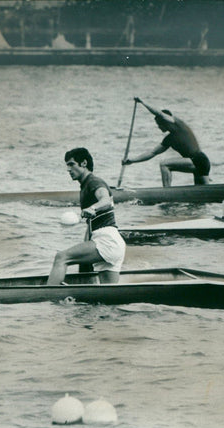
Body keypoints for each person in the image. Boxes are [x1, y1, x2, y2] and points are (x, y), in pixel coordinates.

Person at [47, 148, 126, 286]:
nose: (68, 169)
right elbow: (90, 227)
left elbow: (106, 200)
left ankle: (47, 298)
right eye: (67, 165)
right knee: (107, 298)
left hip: (107, 240)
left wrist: (92, 208)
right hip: (112, 243)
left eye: (71, 164)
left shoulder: (93, 182)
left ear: (84, 163)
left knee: (61, 257)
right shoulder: (85, 186)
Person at [122, 97, 211, 187]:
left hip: (198, 160)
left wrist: (143, 102)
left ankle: (166, 192)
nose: (159, 127)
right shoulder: (169, 139)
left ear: (165, 121)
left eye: (159, 124)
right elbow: (152, 153)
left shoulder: (178, 124)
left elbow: (159, 113)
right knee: (203, 195)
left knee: (164, 164)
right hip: (202, 162)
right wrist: (132, 160)